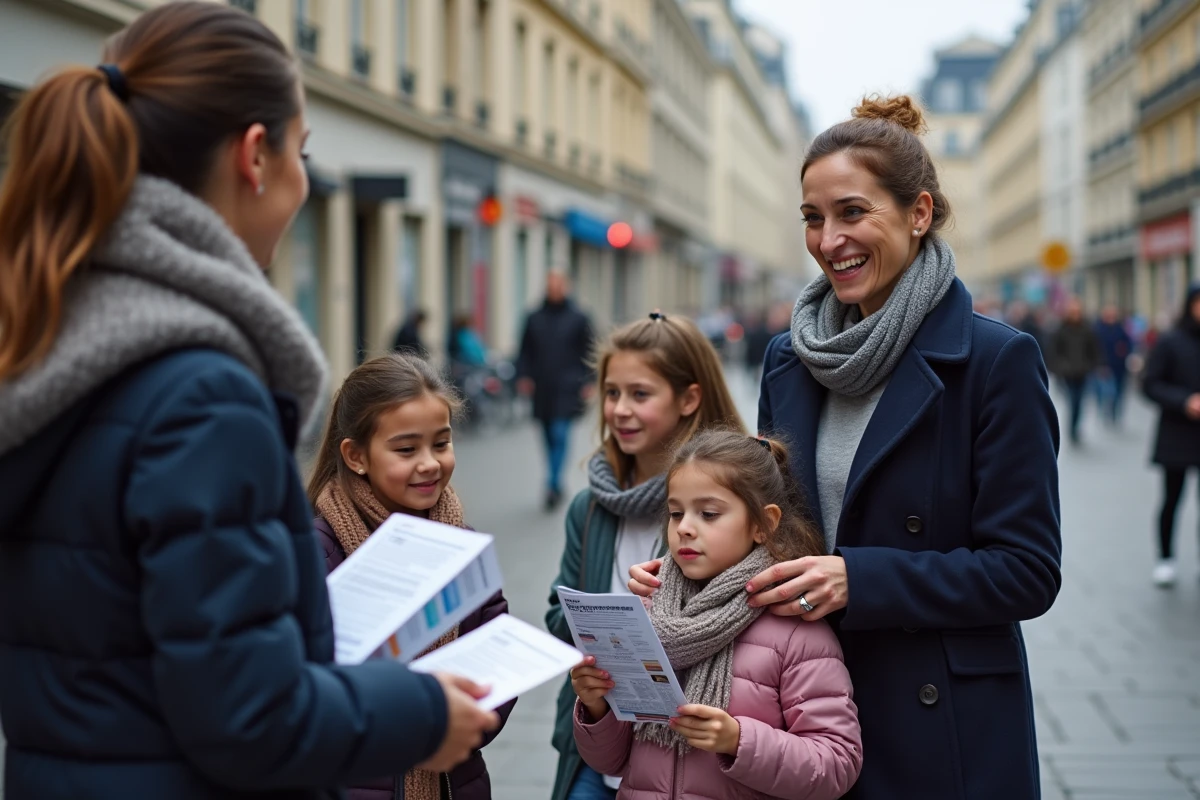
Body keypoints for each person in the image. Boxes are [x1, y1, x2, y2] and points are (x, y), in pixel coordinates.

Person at [0, 5, 497, 798]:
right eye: (301, 153)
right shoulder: (203, 395)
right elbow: (250, 713)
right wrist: (420, 710)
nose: (302, 182)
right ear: (255, 156)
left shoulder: (49, 342)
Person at [629, 95, 1062, 800]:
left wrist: (860, 579)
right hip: (801, 711)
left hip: (938, 722)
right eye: (812, 218)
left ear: (919, 213)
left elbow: (1027, 572)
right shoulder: (789, 360)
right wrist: (686, 571)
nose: (830, 240)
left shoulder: (995, 362)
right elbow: (778, 531)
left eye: (853, 213)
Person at [570, 430, 862, 800]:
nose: (685, 528)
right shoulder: (649, 616)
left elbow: (837, 764)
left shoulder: (796, 633)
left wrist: (737, 740)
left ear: (764, 524)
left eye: (708, 514)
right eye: (676, 513)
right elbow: (609, 763)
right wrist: (598, 707)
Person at [545, 313, 745, 800]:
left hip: (681, 751)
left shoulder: (724, 506)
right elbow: (556, 613)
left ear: (688, 399)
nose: (619, 410)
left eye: (640, 394)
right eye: (612, 393)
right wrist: (605, 631)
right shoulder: (589, 508)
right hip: (597, 735)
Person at [307, 353, 515, 799]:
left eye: (441, 443)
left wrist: (473, 707)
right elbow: (303, 691)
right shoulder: (316, 551)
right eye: (406, 449)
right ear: (356, 456)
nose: (430, 463)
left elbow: (494, 651)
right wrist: (418, 718)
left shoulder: (461, 542)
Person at [516, 270, 595, 510]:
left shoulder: (579, 318)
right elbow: (525, 350)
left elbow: (590, 351)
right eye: (551, 284)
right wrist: (523, 376)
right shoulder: (534, 317)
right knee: (548, 436)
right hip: (542, 387)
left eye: (559, 284)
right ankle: (554, 477)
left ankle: (552, 482)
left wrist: (590, 380)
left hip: (568, 386)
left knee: (560, 433)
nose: (555, 288)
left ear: (566, 286)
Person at [1142, 284, 1200, 588]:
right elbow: (1150, 383)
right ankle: (1166, 558)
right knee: (1171, 500)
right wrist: (1184, 401)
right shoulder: (1170, 341)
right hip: (1177, 435)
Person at [1049, 296, 1103, 444]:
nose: (1075, 314)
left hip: (1083, 372)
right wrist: (1059, 368)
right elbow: (1054, 351)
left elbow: (1094, 350)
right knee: (1072, 400)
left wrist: (1093, 365)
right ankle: (1072, 430)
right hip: (1067, 373)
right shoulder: (1061, 329)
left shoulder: (1087, 329)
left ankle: (1076, 427)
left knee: (1080, 402)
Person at [1094, 304, 1134, 425]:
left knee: (1119, 391)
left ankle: (1115, 412)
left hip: (1120, 366)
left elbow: (1129, 344)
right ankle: (1106, 410)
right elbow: (1095, 348)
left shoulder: (1120, 329)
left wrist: (1125, 351)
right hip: (1105, 366)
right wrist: (1100, 363)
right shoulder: (1099, 329)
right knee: (1108, 391)